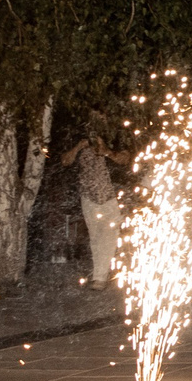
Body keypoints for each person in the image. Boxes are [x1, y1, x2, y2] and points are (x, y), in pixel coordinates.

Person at [59, 120, 132, 286]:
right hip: (89, 195)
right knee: (96, 236)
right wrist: (78, 147)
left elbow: (125, 159)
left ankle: (101, 276)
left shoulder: (115, 135)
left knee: (110, 235)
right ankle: (101, 273)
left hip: (112, 195)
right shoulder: (78, 136)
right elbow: (65, 161)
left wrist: (106, 151)